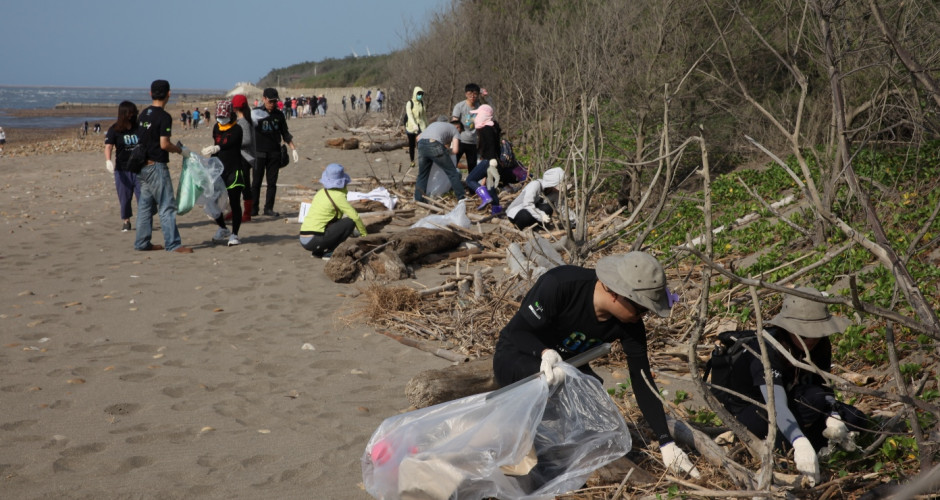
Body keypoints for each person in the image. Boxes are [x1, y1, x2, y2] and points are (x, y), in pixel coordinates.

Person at [492, 251, 702, 479]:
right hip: (519, 353)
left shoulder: (630, 325)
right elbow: (517, 332)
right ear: (616, 294)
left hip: (571, 365)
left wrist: (666, 442)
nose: (642, 317)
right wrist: (544, 353)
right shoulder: (561, 284)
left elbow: (642, 380)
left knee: (595, 399)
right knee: (549, 385)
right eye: (641, 308)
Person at [709, 287, 868, 486]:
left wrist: (833, 416)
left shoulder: (820, 344)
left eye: (816, 332)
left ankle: (812, 441)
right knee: (808, 404)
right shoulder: (765, 348)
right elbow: (776, 404)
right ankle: (796, 445)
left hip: (794, 398)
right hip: (755, 409)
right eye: (804, 333)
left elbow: (822, 386)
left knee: (855, 419)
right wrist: (799, 442)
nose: (811, 339)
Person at [134, 79, 193, 253]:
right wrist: (179, 150)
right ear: (168, 94)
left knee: (145, 206)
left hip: (142, 165)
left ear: (150, 93)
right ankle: (173, 244)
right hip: (156, 165)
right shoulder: (164, 116)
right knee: (166, 205)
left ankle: (142, 242)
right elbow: (164, 144)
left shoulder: (144, 114)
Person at [299, 163, 368, 260]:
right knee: (350, 221)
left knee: (334, 220)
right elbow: (355, 216)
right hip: (314, 240)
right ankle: (331, 251)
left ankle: (318, 252)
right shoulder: (338, 196)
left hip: (304, 238)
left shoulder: (321, 192)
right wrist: (364, 235)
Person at [200, 100, 244, 247]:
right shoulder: (216, 127)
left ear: (230, 115)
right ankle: (223, 228)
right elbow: (217, 144)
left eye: (224, 116)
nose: (221, 119)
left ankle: (235, 234)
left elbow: (230, 143)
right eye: (219, 116)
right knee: (212, 200)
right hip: (218, 169)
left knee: (235, 202)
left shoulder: (237, 129)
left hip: (234, 169)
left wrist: (216, 148)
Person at [251, 87, 298, 217]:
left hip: (274, 153)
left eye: (274, 101)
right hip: (258, 152)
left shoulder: (279, 115)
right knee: (256, 182)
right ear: (264, 99)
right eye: (270, 101)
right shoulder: (255, 113)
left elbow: (285, 133)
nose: (272, 104)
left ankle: (268, 208)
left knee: (272, 183)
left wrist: (293, 148)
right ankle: (253, 209)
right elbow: (245, 130)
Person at [104, 101, 142, 232]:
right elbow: (108, 146)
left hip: (139, 169)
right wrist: (108, 160)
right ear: (123, 114)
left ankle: (143, 220)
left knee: (142, 196)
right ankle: (126, 221)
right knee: (124, 198)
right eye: (130, 113)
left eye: (134, 112)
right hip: (122, 169)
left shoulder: (138, 128)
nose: (132, 115)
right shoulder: (114, 129)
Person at [414, 116, 465, 203]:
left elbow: (417, 138)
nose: (459, 133)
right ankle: (461, 198)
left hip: (421, 144)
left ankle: (418, 200)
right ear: (457, 127)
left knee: (422, 175)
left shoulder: (434, 124)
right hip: (434, 144)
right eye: (460, 131)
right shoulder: (455, 130)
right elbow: (455, 150)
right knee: (452, 173)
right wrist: (447, 151)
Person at [465, 104, 503, 215]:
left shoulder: (486, 128)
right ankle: (496, 209)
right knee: (490, 186)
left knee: (470, 180)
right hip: (494, 160)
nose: (476, 117)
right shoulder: (492, 127)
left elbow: (491, 145)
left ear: (484, 115)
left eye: (478, 114)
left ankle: (485, 197)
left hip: (489, 160)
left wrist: (491, 159)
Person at [231, 94, 255, 222]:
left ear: (235, 108)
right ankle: (235, 210)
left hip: (244, 158)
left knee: (244, 185)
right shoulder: (241, 120)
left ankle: (247, 213)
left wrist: (232, 142)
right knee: (236, 185)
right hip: (240, 157)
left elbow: (247, 140)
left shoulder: (244, 121)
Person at [451, 83, 481, 173]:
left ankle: (471, 185)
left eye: (475, 94)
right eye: (470, 94)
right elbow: (454, 123)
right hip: (460, 140)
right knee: (453, 163)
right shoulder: (460, 106)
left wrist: (486, 97)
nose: (472, 96)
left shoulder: (480, 107)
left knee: (472, 166)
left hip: (473, 141)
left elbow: (490, 111)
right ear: (466, 94)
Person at [403, 87, 428, 167]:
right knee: (412, 145)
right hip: (411, 127)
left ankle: (422, 161)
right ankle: (412, 161)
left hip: (421, 127)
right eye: (418, 94)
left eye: (421, 94)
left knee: (421, 144)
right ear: (415, 94)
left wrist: (427, 126)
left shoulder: (422, 103)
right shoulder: (410, 103)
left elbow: (424, 116)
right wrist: (414, 125)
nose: (420, 96)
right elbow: (409, 115)